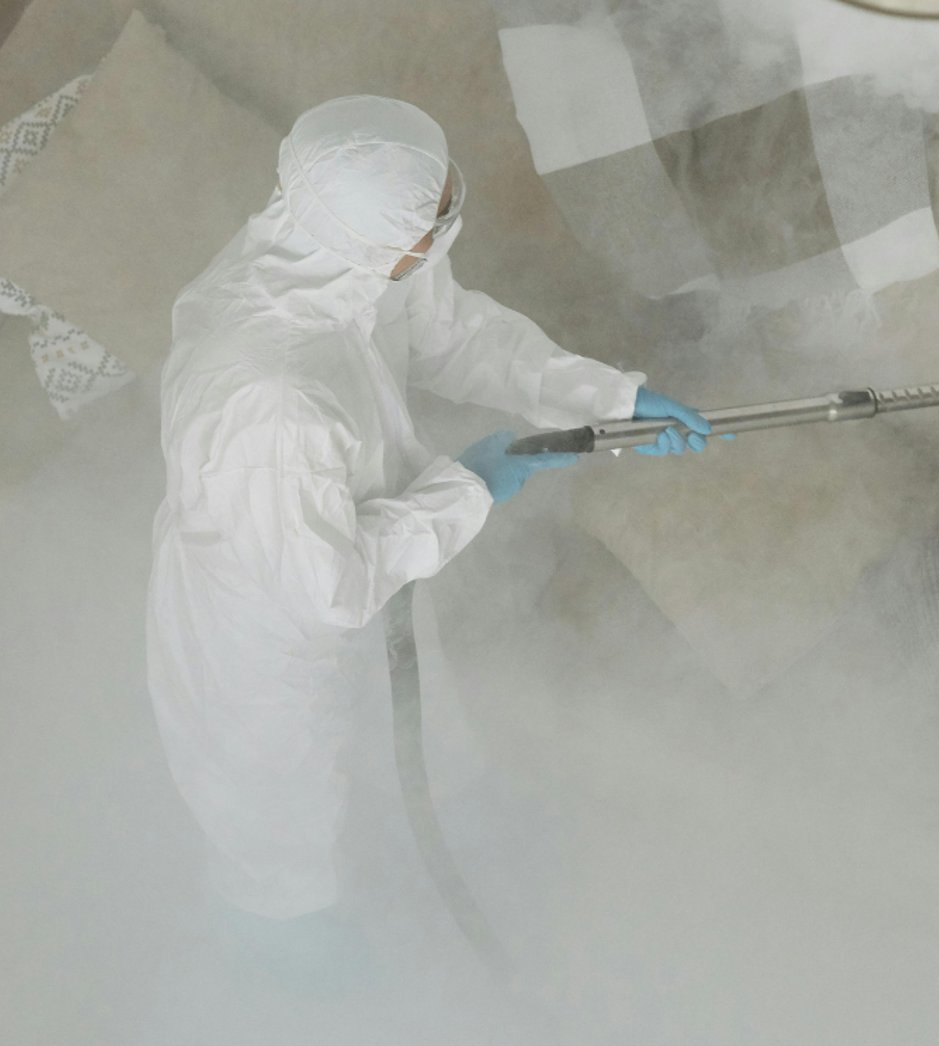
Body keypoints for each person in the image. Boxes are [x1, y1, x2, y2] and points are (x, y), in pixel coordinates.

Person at [146, 95, 712, 982]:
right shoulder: (267, 397)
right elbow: (326, 592)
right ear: (379, 236)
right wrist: (471, 483)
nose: (452, 220)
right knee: (282, 828)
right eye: (436, 214)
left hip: (377, 575)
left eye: (447, 195)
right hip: (269, 646)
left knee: (418, 720)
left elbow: (455, 333)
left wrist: (610, 399)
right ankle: (292, 967)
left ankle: (462, 834)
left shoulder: (347, 254)